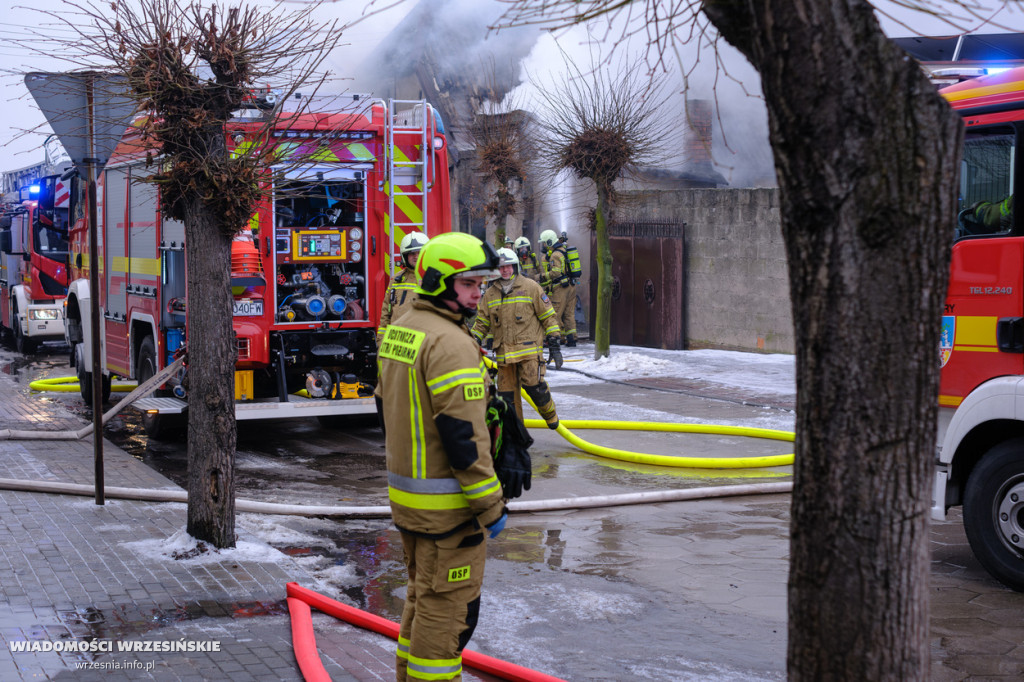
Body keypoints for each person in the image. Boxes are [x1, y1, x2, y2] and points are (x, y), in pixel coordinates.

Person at [376, 232, 507, 682]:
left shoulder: (403, 327)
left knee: (421, 599)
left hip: (410, 503)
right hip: (449, 511)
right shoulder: (449, 342)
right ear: (437, 281)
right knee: (448, 615)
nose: (478, 294)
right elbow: (463, 437)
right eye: (469, 283)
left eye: (481, 284)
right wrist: (491, 506)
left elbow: (384, 407)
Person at [472, 247, 562, 429]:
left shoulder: (531, 287)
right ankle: (515, 435)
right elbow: (481, 323)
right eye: (501, 267)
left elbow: (548, 317)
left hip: (529, 352)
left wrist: (554, 343)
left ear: (515, 266)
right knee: (507, 400)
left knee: (535, 388)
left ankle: (550, 414)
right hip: (504, 356)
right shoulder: (490, 294)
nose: (505, 270)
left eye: (509, 266)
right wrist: (472, 342)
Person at [377, 231, 428, 345]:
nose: (416, 256)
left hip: (423, 341)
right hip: (398, 341)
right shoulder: (396, 279)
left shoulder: (434, 278)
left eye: (419, 252)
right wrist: (381, 342)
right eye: (412, 253)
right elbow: (386, 312)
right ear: (405, 256)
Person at [539, 229, 578, 348]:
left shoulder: (555, 255)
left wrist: (542, 276)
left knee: (554, 314)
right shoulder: (563, 250)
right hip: (571, 286)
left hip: (561, 288)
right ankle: (571, 339)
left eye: (544, 243)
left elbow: (556, 272)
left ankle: (553, 339)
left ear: (549, 242)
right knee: (569, 314)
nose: (543, 245)